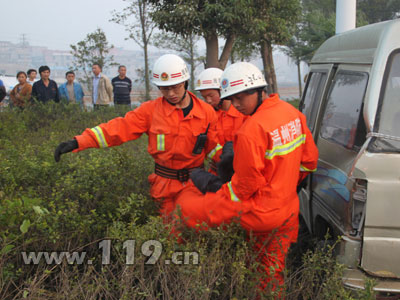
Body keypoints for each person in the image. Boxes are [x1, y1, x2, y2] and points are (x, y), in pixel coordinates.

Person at [174, 62, 319, 291]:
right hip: (288, 209)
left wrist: (218, 192)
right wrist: (284, 184)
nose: (237, 105)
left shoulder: (251, 130)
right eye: (232, 99)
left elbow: (245, 186)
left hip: (260, 213)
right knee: (272, 271)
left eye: (241, 98)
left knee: (187, 210)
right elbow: (309, 162)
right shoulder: (293, 115)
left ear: (259, 90)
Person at [54, 54, 222, 220]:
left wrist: (229, 164)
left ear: (185, 82)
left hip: (194, 183)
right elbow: (117, 129)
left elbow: (213, 147)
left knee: (187, 223)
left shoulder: (206, 113)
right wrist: (78, 142)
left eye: (176, 87)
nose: (171, 93)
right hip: (163, 185)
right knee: (167, 231)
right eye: (164, 88)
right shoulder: (150, 111)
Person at [196, 68, 247, 175]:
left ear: (223, 90)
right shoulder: (207, 117)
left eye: (211, 95)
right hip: (216, 172)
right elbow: (209, 146)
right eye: (204, 97)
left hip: (242, 172)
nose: (208, 101)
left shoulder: (243, 113)